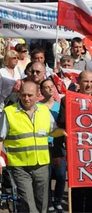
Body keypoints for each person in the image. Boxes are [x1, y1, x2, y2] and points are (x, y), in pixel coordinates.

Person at [0, 81, 67, 213]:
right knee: (28, 203)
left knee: (42, 204)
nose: (26, 98)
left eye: (30, 95)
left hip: (42, 164)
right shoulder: (9, 112)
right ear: (19, 94)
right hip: (19, 166)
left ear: (37, 95)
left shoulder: (44, 111)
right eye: (24, 95)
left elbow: (52, 131)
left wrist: (63, 132)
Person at [56, 70, 92, 212]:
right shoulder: (68, 100)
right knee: (77, 189)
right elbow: (61, 124)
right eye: (85, 81)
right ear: (78, 82)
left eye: (91, 82)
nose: (88, 85)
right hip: (77, 152)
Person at [39, 79, 65, 212]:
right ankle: (48, 202)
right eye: (46, 87)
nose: (50, 89)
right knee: (46, 176)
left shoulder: (60, 105)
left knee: (61, 175)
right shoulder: (37, 106)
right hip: (44, 144)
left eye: (51, 87)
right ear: (41, 91)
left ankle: (58, 201)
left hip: (59, 145)